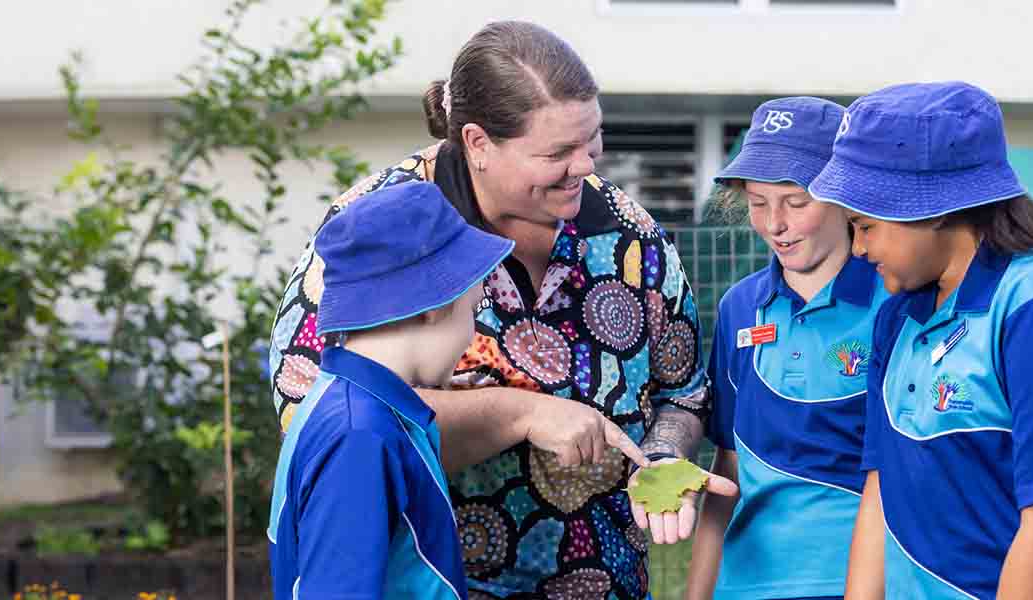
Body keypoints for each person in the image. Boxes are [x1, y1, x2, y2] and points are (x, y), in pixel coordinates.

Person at [265, 21, 722, 599]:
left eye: (594, 139)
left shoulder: (631, 235)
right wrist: (518, 414)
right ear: (478, 143)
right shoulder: (386, 230)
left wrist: (659, 459)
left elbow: (683, 391)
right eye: (557, 152)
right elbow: (317, 407)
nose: (585, 165)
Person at [821, 82, 1033, 600]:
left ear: (930, 207)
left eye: (865, 226)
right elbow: (881, 489)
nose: (857, 248)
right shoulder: (897, 319)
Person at [655, 97, 883, 600]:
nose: (774, 223)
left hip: (860, 583)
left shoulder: (895, 303)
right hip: (746, 586)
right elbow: (729, 470)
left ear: (844, 199)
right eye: (758, 203)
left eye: (795, 202)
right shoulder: (740, 308)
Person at [268, 181, 512, 599]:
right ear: (436, 306)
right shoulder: (360, 437)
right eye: (474, 310)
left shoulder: (357, 404)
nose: (472, 335)